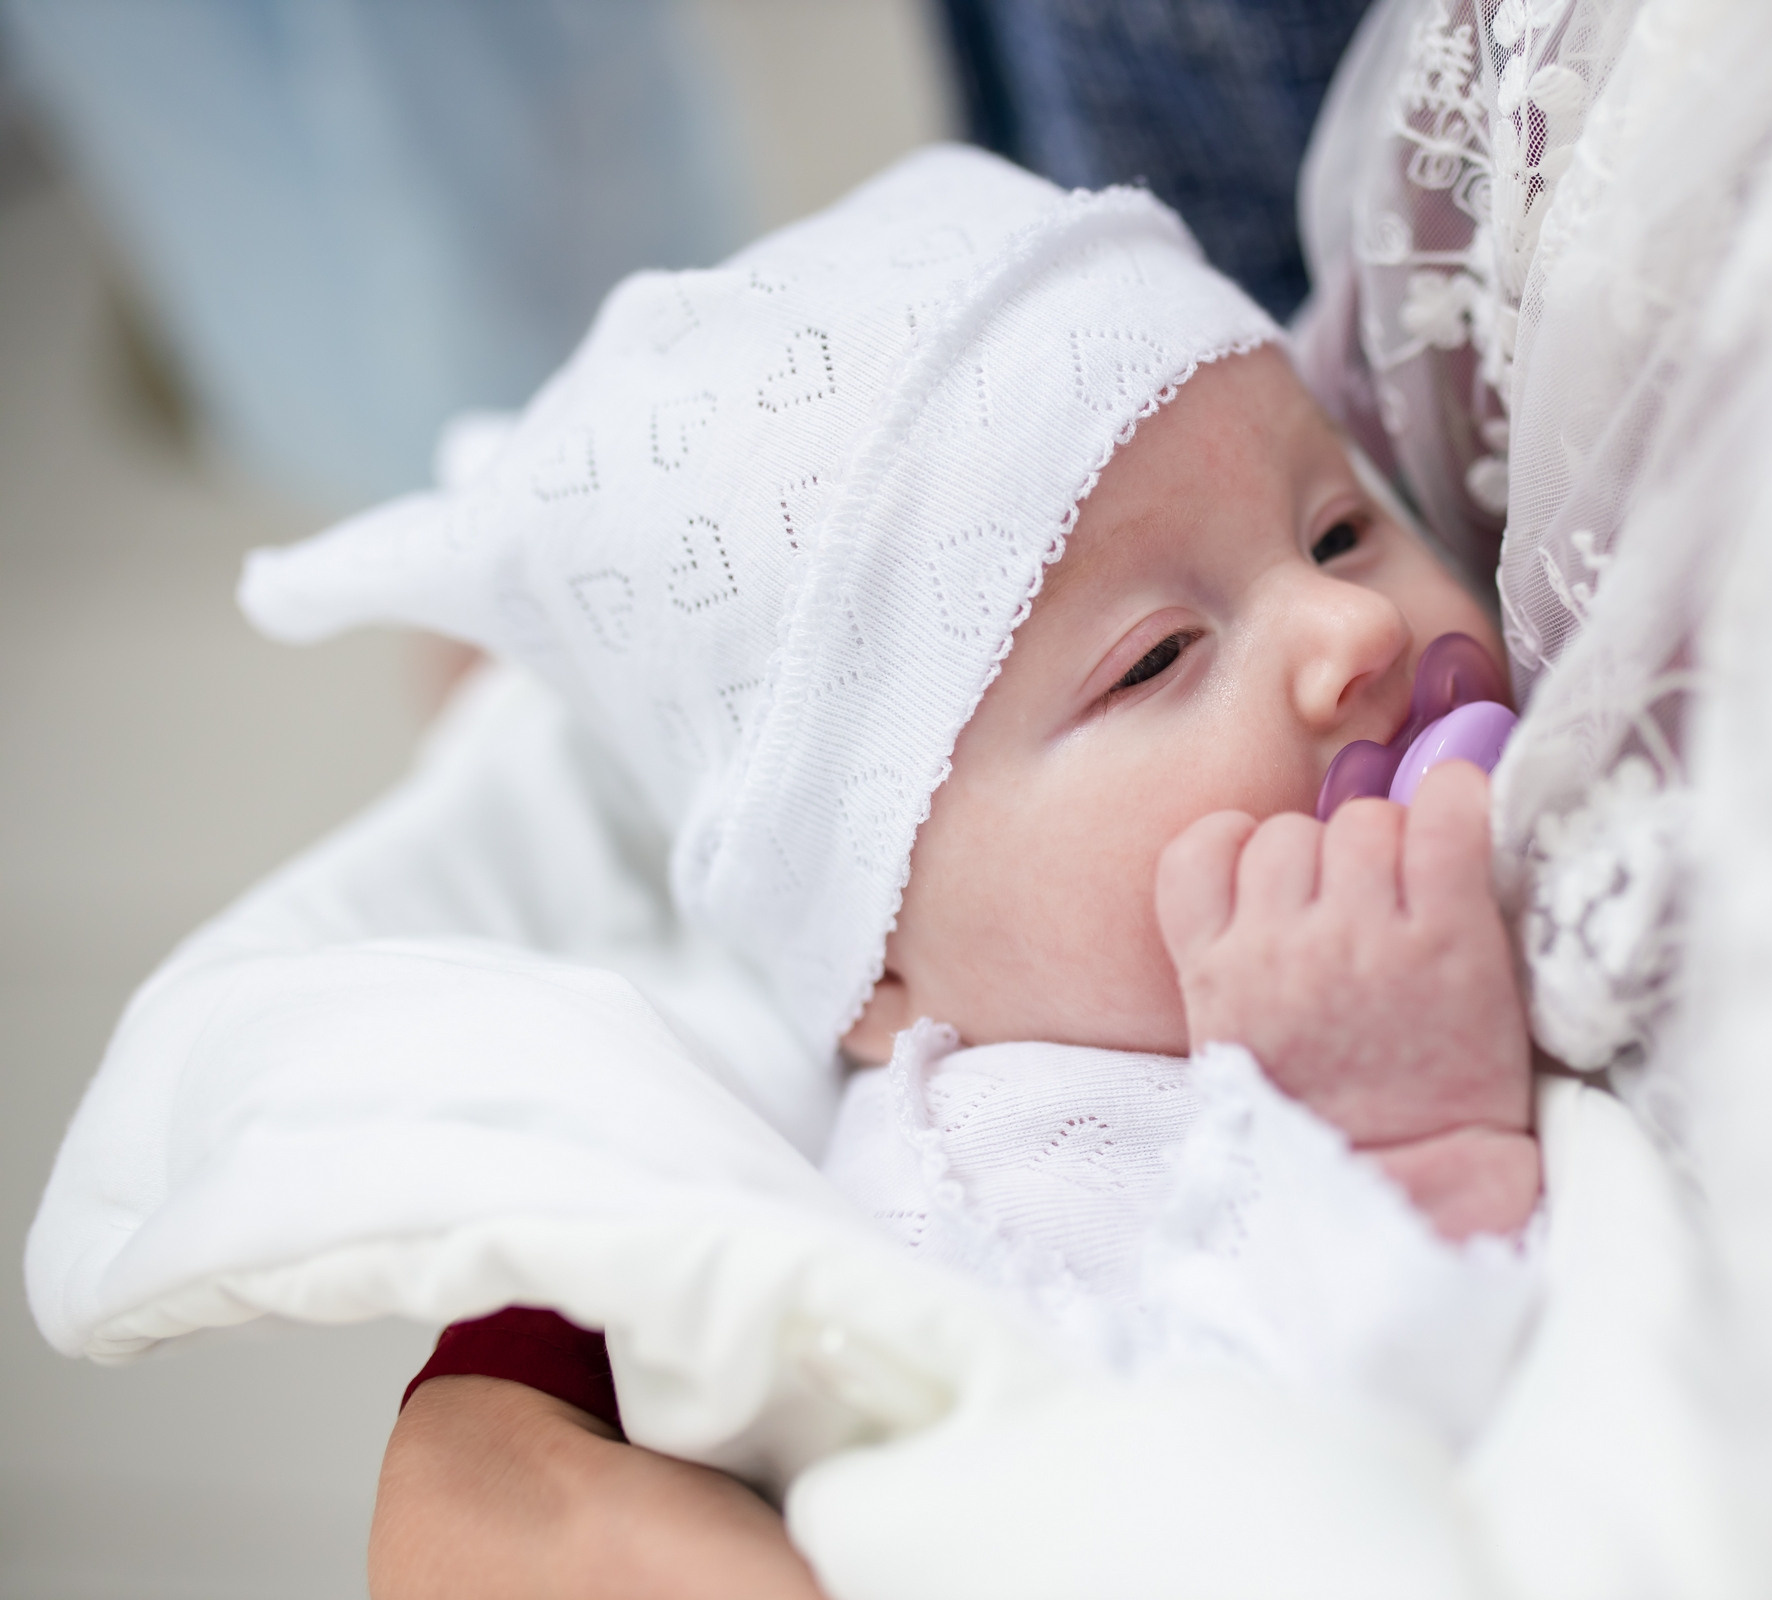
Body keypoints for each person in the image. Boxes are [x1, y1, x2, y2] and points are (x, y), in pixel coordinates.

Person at [53, 143, 1542, 1596]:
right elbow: (1191, 1511)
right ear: (879, 964)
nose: (1350, 632)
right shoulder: (993, 1186)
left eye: (1339, 529)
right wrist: (1400, 1150)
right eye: (1154, 659)